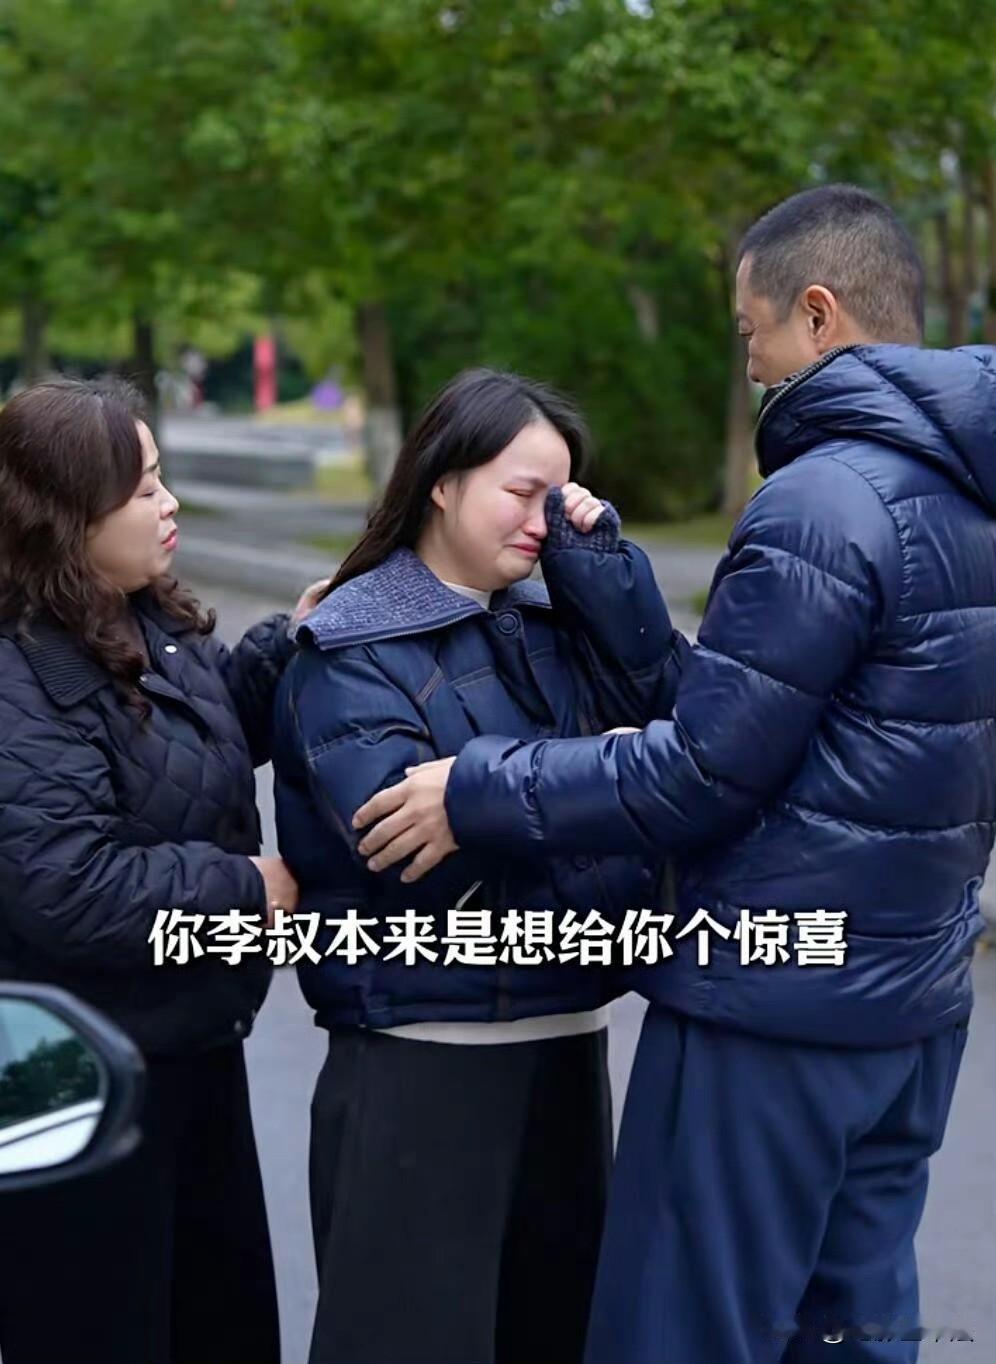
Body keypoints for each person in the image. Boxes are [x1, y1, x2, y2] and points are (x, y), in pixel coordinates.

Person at [353, 186, 996, 1363]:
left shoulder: (822, 499)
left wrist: (477, 786)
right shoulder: (968, 495)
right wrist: (619, 593)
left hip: (773, 1011)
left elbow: (701, 769)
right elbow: (795, 722)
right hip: (911, 1005)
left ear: (818, 313)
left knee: (683, 1330)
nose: (748, 363)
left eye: (752, 332)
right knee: (854, 1330)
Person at [272, 367, 685, 1364]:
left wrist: (611, 584)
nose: (543, 521)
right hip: (423, 1055)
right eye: (521, 491)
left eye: (560, 497)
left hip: (568, 1040)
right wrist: (613, 799)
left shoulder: (560, 626)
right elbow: (418, 862)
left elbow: (690, 749)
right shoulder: (352, 642)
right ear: (443, 481)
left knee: (556, 1336)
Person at [0, 378, 323, 1364]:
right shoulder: (18, 674)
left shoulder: (146, 620)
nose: (168, 501)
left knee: (218, 1322)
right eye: (142, 488)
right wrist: (249, 888)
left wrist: (294, 641)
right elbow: (68, 883)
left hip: (190, 1046)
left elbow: (187, 750)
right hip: (79, 1085)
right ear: (65, 515)